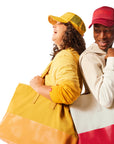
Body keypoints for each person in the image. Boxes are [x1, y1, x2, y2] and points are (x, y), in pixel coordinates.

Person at [0, 12, 86, 144]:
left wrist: (38, 87)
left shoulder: (65, 56)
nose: (54, 26)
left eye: (60, 23)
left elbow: (69, 93)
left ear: (71, 31)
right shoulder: (72, 56)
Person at [79, 6, 114, 108]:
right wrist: (112, 60)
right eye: (97, 30)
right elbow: (105, 100)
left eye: (107, 30)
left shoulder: (111, 52)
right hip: (105, 122)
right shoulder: (89, 58)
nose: (102, 36)